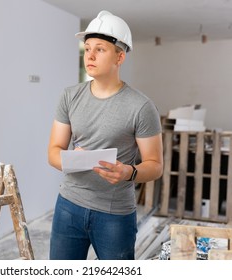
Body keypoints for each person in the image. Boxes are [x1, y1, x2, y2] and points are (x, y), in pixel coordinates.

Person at [47, 10, 163, 260]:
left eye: (100, 49)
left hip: (114, 215)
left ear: (119, 57)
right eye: (87, 48)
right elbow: (54, 152)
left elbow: (155, 166)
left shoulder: (141, 107)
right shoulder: (69, 96)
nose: (90, 54)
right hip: (68, 206)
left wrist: (129, 172)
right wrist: (70, 159)